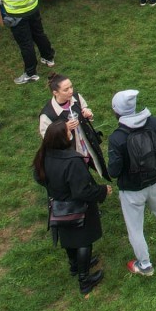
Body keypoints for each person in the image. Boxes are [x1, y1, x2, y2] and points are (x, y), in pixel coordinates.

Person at [107, 89, 156, 278]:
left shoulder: (117, 138)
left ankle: (145, 265)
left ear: (116, 111)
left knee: (135, 228)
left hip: (131, 191)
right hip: (155, 181)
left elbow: (114, 172)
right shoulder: (153, 122)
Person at [33, 120, 109, 296]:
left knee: (68, 238)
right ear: (62, 139)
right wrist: (103, 190)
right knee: (84, 241)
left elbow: (38, 177)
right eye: (68, 131)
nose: (71, 133)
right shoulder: (73, 161)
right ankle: (85, 280)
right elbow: (83, 191)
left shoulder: (43, 155)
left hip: (58, 207)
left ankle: (75, 266)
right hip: (78, 208)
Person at [40, 73, 107, 179]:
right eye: (66, 90)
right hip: (70, 152)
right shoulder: (47, 115)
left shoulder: (76, 97)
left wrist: (88, 113)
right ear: (55, 92)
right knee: (79, 176)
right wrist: (64, 128)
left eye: (71, 87)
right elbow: (48, 140)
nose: (71, 91)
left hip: (87, 143)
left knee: (96, 162)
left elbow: (84, 108)